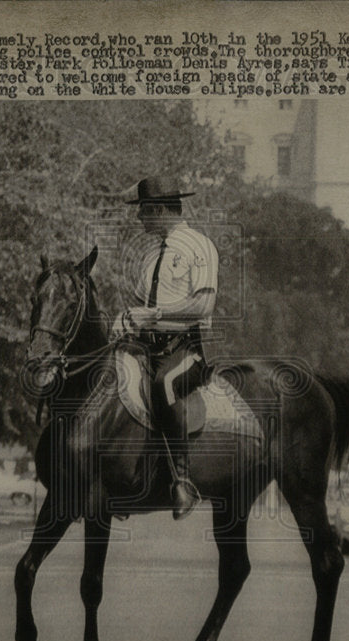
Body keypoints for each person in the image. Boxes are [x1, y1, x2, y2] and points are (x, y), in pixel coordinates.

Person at [113, 177, 219, 520]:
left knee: (163, 385)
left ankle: (183, 482)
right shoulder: (151, 257)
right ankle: (121, 478)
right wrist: (126, 319)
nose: (140, 219)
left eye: (143, 211)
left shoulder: (199, 246)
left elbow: (204, 306)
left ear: (159, 209)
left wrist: (156, 313)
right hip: (148, 348)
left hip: (185, 349)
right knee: (109, 380)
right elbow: (141, 308)